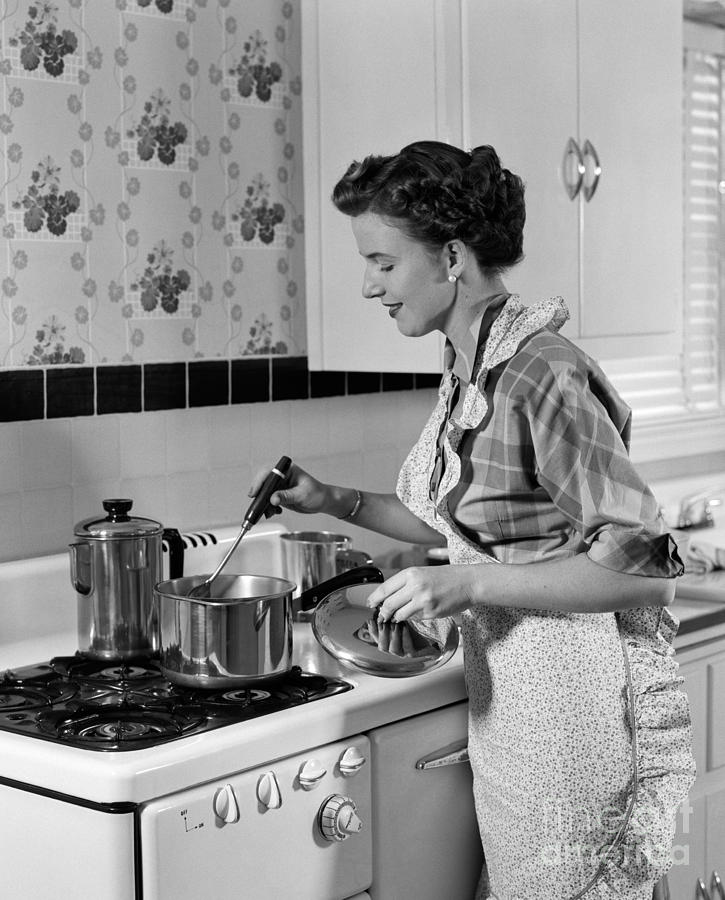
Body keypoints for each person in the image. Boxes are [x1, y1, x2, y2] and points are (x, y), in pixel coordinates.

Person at [250, 141, 696, 900]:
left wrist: (462, 588)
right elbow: (467, 528)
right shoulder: (470, 363)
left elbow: (641, 572)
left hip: (570, 703)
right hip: (511, 701)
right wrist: (336, 501)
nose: (367, 286)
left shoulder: (538, 371)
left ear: (451, 257)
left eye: (383, 263)